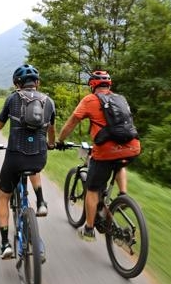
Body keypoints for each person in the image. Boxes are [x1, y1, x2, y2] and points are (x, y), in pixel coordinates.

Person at [57, 70, 140, 241]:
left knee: (93, 189)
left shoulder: (89, 100)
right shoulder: (120, 99)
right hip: (131, 147)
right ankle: (123, 195)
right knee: (119, 163)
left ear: (92, 86)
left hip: (105, 151)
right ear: (109, 85)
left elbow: (72, 121)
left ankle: (88, 229)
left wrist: (60, 140)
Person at [0, 64, 56, 259]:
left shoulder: (13, 98)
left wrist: (0, 121)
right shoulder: (49, 102)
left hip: (15, 157)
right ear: (37, 83)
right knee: (33, 164)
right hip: (39, 157)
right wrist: (51, 144)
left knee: (3, 197)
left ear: (16, 83)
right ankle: (40, 202)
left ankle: (5, 245)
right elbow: (51, 130)